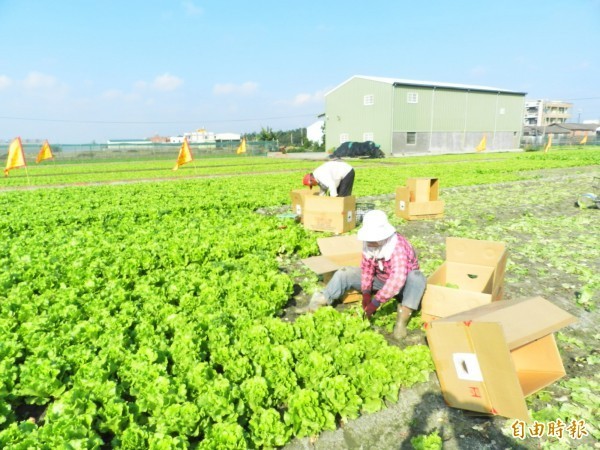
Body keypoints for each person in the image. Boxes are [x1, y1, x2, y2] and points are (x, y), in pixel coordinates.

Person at [296, 210, 426, 339]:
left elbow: (396, 280)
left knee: (417, 277)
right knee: (345, 273)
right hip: (381, 280)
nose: (369, 241)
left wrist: (375, 302)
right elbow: (367, 268)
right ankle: (319, 301)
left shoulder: (397, 247)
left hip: (404, 286)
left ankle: (402, 320)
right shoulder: (370, 244)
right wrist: (366, 293)